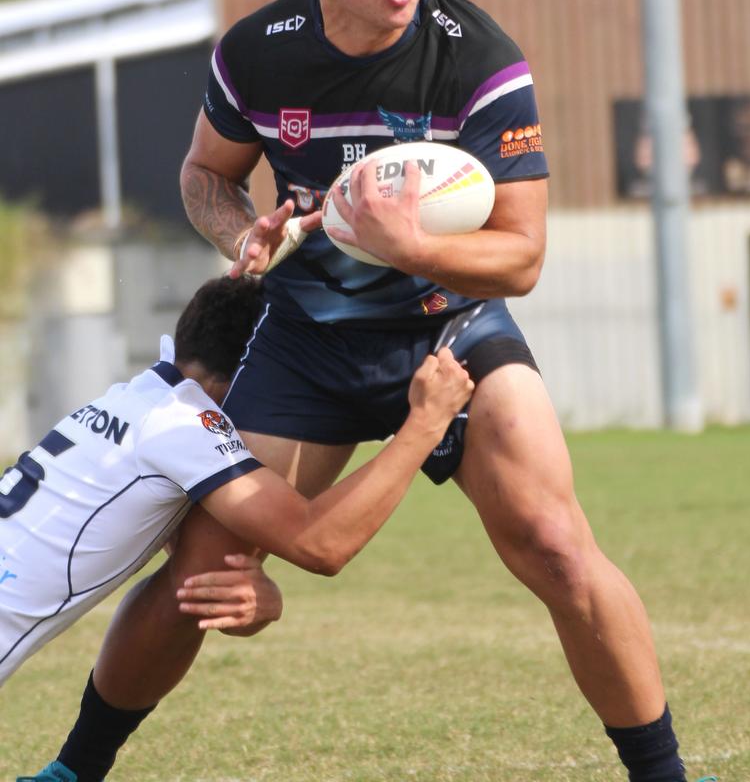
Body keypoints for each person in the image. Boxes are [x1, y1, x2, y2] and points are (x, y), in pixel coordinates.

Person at [20, 0, 710, 782]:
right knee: (201, 573)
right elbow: (203, 175)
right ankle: (71, 774)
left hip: (452, 332)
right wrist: (239, 234)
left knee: (554, 542)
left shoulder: (478, 58)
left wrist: (414, 249)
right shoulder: (256, 55)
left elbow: (523, 256)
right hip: (307, 341)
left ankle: (666, 777)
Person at [8, 274, 472, 781]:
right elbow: (322, 543)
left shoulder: (133, 397)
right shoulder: (186, 423)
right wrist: (425, 424)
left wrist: (258, 599)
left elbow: (187, 561)